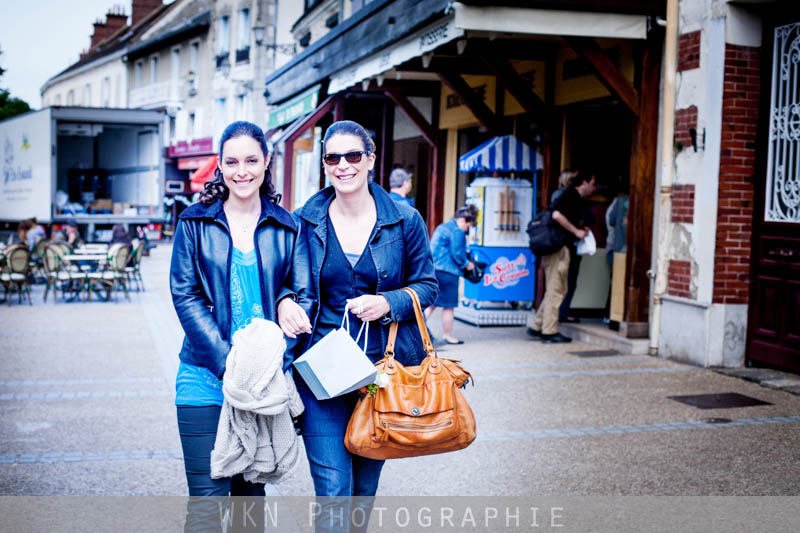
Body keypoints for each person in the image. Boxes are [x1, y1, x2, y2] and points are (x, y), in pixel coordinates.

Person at [294, 120, 438, 527]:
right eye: (332, 157)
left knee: (362, 492)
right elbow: (287, 281)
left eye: (353, 155)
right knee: (333, 491)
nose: (343, 165)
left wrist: (386, 302)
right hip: (319, 374)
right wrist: (287, 300)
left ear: (371, 159)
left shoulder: (404, 220)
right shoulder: (304, 219)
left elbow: (428, 286)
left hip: (378, 376)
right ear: (324, 164)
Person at [169, 121, 313, 527]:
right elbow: (185, 294)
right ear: (220, 165)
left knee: (249, 506)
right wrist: (227, 362)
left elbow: (306, 297)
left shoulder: (289, 227)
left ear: (267, 162)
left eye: (252, 160)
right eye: (232, 162)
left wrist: (286, 306)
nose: (242, 171)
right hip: (204, 377)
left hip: (261, 384)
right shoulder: (194, 223)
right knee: (207, 506)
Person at [527, 171, 596, 343]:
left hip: (554, 247)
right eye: (593, 184)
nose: (594, 188)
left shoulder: (569, 196)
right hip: (558, 247)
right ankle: (549, 331)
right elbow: (557, 215)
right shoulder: (570, 195)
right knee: (557, 290)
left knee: (555, 288)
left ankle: (537, 325)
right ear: (584, 182)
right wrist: (576, 231)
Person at [424, 205, 477, 345]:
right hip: (448, 272)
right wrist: (468, 264)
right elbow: (458, 254)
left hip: (435, 269)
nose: (467, 230)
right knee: (448, 306)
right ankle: (448, 336)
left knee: (432, 303)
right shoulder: (457, 231)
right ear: (463, 220)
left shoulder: (443, 226)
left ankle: (418, 328)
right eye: (469, 226)